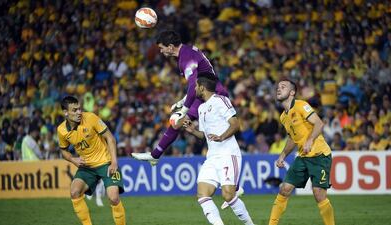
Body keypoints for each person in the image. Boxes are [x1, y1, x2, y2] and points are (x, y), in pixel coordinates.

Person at [131, 30, 228, 165]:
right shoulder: (186, 53)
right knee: (176, 122)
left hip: (214, 95)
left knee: (218, 134)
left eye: (161, 48)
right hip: (204, 93)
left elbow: (194, 84)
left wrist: (184, 109)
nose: (160, 51)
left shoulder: (186, 58)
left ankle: (232, 177)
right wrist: (182, 101)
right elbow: (197, 83)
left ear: (170, 47)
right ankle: (155, 155)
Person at [183, 73, 255, 225]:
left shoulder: (221, 100)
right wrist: (193, 131)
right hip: (212, 157)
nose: (194, 89)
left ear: (202, 87)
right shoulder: (201, 108)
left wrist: (222, 137)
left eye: (196, 86)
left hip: (228, 154)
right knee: (202, 194)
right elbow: (206, 136)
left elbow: (235, 124)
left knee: (228, 195)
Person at [268, 80, 335, 225]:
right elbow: (292, 138)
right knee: (284, 189)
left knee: (318, 193)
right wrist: (282, 155)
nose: (279, 89)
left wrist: (310, 140)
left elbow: (319, 123)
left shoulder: (301, 105)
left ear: (292, 92)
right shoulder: (283, 117)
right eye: (278, 87)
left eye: (283, 87)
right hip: (303, 157)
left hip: (320, 155)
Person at [57, 96, 125, 225]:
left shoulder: (91, 118)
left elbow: (110, 138)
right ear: (65, 112)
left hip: (106, 162)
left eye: (79, 109)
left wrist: (114, 162)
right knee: (74, 192)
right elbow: (63, 150)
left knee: (114, 198)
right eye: (74, 110)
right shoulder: (61, 130)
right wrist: (73, 159)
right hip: (87, 167)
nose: (79, 112)